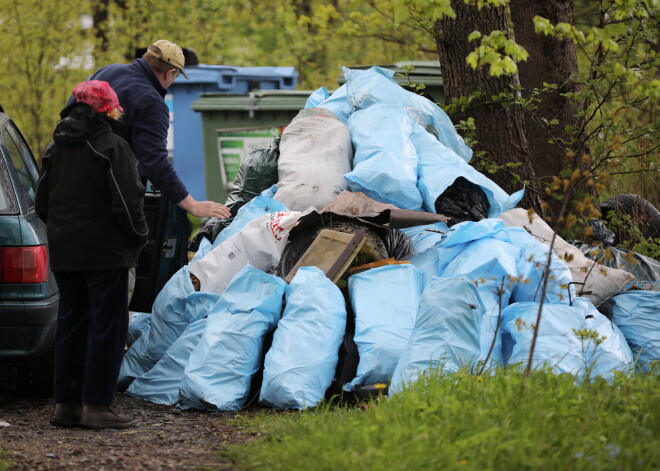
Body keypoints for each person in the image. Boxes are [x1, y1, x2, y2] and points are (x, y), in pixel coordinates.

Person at [36, 80, 149, 429]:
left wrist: (63, 235)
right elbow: (128, 205)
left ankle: (66, 406)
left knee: (71, 324)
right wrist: (139, 238)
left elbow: (42, 203)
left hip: (66, 254)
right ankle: (97, 406)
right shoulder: (112, 146)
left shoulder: (55, 149)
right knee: (108, 328)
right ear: (105, 110)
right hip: (107, 256)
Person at [81, 39, 231, 220]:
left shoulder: (107, 71)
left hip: (66, 186)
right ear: (170, 73)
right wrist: (193, 206)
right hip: (104, 201)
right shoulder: (151, 102)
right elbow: (154, 161)